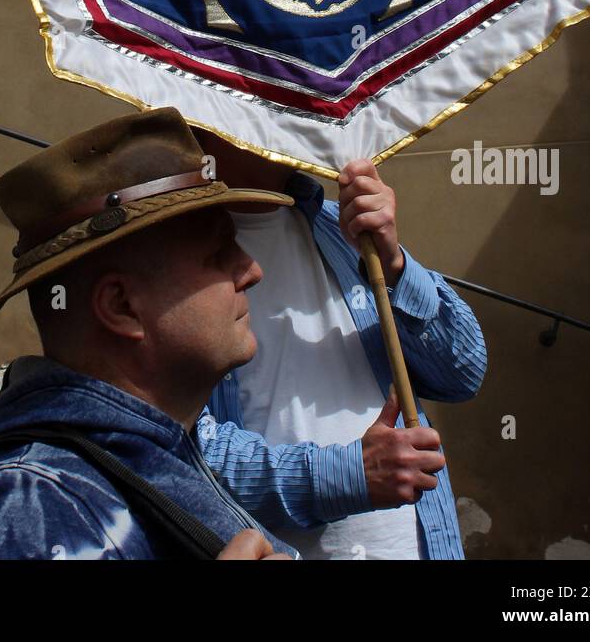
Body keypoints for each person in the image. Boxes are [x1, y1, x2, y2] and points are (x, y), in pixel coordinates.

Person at [0, 106, 300, 560]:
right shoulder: (29, 507)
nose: (252, 271)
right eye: (219, 253)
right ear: (122, 307)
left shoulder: (144, 453)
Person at [197, 135, 487, 560]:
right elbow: (189, 454)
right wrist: (351, 474)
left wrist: (394, 264)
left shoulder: (344, 228)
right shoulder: (171, 262)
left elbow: (463, 371)